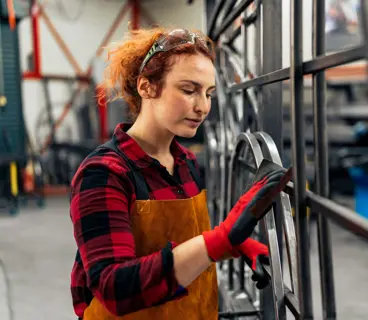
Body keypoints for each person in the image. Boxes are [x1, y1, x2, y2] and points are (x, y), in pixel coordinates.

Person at [69, 27, 290, 319]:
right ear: (146, 87)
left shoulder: (185, 162)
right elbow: (115, 289)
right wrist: (219, 240)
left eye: (208, 94)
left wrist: (233, 246)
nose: (202, 107)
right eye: (189, 90)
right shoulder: (103, 174)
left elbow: (183, 248)